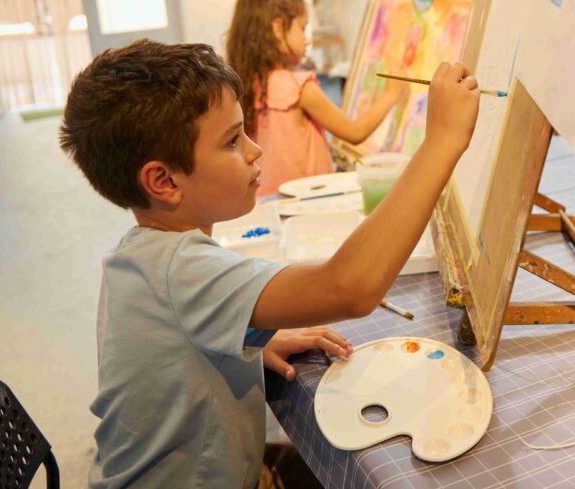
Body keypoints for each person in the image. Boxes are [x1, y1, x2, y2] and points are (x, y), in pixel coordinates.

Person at [59, 39, 479, 488]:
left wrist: (244, 342)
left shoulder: (138, 256)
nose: (255, 150)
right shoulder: (179, 270)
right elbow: (350, 287)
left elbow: (169, 360)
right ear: (163, 180)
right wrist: (442, 141)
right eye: (232, 140)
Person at [224, 0, 407, 194]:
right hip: (309, 198)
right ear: (277, 28)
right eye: (302, 28)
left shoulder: (247, 84)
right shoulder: (298, 87)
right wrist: (391, 93)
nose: (307, 39)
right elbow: (354, 132)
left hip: (268, 198)